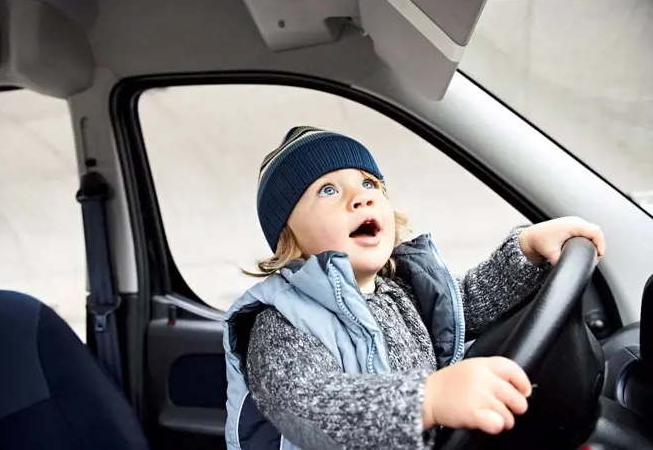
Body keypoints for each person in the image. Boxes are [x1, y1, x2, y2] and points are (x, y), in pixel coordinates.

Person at [223, 126, 606, 450]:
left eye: (370, 183)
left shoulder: (397, 292)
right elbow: (310, 406)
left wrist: (526, 250)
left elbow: (463, 306)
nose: (361, 196)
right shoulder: (282, 326)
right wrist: (429, 399)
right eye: (328, 190)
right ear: (290, 239)